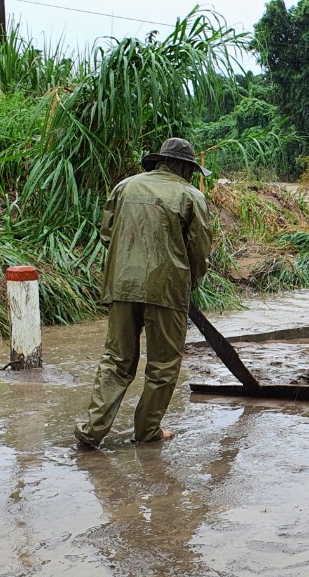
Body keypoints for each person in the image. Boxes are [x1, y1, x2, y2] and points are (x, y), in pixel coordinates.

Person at [74, 138, 213, 447]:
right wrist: (191, 282)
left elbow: (107, 234)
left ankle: (92, 431)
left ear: (159, 163)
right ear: (186, 168)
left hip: (122, 285)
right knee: (162, 365)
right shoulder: (191, 195)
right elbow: (199, 251)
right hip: (166, 288)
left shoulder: (124, 188)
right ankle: (147, 431)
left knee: (116, 360)